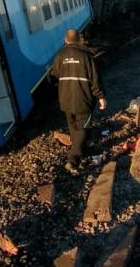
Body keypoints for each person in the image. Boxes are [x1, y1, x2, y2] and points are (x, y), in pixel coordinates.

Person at [51, 29, 107, 175]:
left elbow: (55, 74)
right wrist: (100, 96)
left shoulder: (59, 56)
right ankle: (73, 159)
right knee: (83, 128)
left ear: (66, 40)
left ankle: (81, 148)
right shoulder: (86, 56)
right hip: (83, 98)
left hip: (65, 98)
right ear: (79, 40)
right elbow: (95, 79)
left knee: (73, 126)